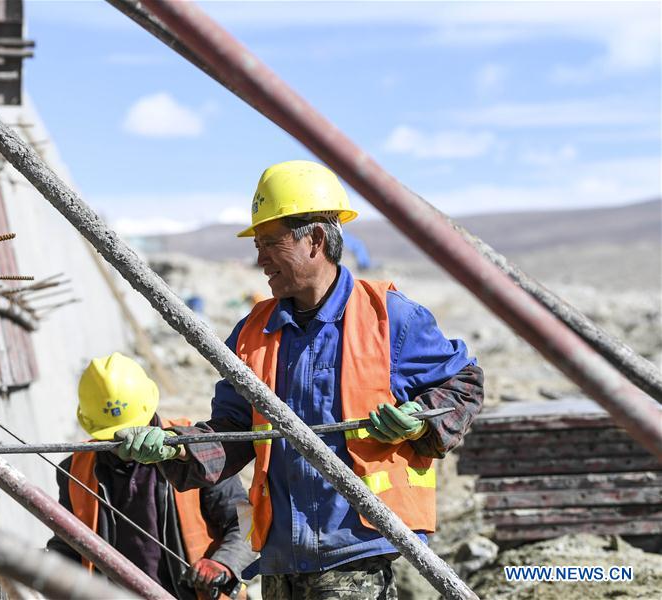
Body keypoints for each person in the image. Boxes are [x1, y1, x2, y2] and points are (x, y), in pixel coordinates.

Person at [113, 160, 485, 599]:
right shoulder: (254, 331)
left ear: (315, 240)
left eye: (270, 242)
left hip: (356, 553)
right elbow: (231, 435)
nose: (259, 258)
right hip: (281, 559)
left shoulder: (389, 319)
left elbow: (465, 384)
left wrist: (420, 418)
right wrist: (170, 447)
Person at [46, 352, 255, 599]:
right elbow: (69, 546)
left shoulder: (196, 450)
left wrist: (223, 564)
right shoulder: (75, 471)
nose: (125, 446)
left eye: (133, 431)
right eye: (113, 438)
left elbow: (247, 521)